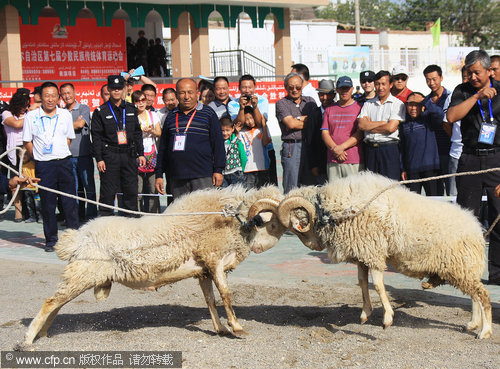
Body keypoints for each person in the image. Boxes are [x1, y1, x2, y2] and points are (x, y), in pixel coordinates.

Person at [446, 50, 500, 286]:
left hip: (496, 159)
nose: (473, 76)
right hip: (469, 159)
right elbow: (451, 116)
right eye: (469, 72)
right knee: (468, 219)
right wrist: (477, 96)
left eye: (477, 72)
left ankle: (497, 274)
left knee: (498, 219)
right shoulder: (463, 90)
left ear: (489, 71)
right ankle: (466, 272)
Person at [22, 81, 79, 252]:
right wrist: (38, 156)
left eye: (54, 95)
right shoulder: (31, 116)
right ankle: (51, 240)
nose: (50, 99)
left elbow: (69, 138)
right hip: (44, 166)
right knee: (47, 204)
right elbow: (27, 141)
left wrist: (58, 152)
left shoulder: (65, 115)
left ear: (58, 97)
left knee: (70, 202)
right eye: (47, 95)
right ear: (40, 97)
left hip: (64, 162)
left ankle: (74, 239)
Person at [155, 78, 225, 200]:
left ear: (197, 92)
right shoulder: (171, 116)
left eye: (190, 92)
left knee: (203, 214)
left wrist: (218, 170)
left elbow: (218, 144)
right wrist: (159, 174)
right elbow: (163, 148)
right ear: (176, 94)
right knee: (181, 215)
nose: (186, 96)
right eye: (182, 92)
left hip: (202, 175)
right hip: (177, 177)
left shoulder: (208, 113)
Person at [91, 75, 146, 217]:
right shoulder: (100, 111)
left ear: (124, 89)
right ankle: (105, 227)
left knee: (131, 192)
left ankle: (131, 224)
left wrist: (141, 153)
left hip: (128, 154)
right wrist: (99, 159)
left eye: (119, 88)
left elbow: (137, 132)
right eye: (113, 88)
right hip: (110, 156)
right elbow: (96, 137)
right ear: (108, 89)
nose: (116, 91)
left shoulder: (131, 109)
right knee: (108, 194)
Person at [227, 74, 277, 186]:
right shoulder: (232, 104)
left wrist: (255, 106)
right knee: (248, 186)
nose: (247, 90)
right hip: (245, 150)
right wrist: (241, 108)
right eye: (244, 87)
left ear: (255, 87)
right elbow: (238, 124)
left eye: (250, 87)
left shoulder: (262, 100)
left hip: (264, 147)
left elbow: (260, 122)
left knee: (269, 186)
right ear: (239, 88)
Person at [358, 70, 406, 180]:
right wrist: (382, 123)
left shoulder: (397, 104)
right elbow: (361, 125)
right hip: (370, 150)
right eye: (377, 84)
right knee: (371, 187)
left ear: (390, 85)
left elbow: (390, 128)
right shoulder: (368, 104)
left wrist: (369, 126)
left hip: (389, 149)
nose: (380, 87)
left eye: (383, 84)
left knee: (390, 186)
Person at [60, 83, 97, 221]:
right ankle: (75, 217)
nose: (67, 96)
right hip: (67, 156)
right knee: (72, 189)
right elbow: (74, 124)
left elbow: (81, 124)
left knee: (89, 188)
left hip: (84, 155)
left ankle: (92, 216)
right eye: (63, 94)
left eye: (69, 93)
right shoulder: (61, 111)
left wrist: (64, 125)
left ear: (75, 92)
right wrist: (72, 123)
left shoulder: (84, 108)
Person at [276, 72, 317, 193]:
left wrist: (296, 119)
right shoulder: (281, 103)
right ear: (285, 87)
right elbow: (291, 124)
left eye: (298, 87)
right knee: (291, 186)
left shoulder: (310, 101)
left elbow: (314, 122)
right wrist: (305, 119)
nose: (295, 90)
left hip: (309, 147)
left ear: (302, 86)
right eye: (291, 87)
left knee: (310, 186)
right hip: (291, 147)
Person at [399, 92, 444, 195]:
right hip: (412, 170)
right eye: (410, 105)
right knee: (413, 203)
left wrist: (425, 101)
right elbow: (402, 148)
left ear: (422, 106)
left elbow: (440, 114)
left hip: (430, 168)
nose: (413, 108)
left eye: (416, 104)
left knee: (434, 200)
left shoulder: (428, 118)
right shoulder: (403, 123)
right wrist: (403, 169)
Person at [321, 76, 363, 180]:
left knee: (354, 192)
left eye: (347, 88)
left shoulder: (360, 108)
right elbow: (325, 133)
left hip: (353, 160)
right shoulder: (329, 109)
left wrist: (341, 148)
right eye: (341, 88)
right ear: (337, 90)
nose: (344, 91)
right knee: (334, 194)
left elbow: (360, 133)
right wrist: (335, 149)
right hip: (333, 159)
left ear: (352, 89)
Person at [2, 89, 31, 222]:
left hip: (28, 149)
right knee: (15, 180)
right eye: (21, 105)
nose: (24, 108)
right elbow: (16, 124)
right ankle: (18, 211)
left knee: (30, 179)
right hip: (14, 150)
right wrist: (32, 116)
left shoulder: (29, 113)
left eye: (26, 105)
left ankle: (31, 211)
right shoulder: (6, 113)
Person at [423, 64, 452, 195]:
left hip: (448, 149)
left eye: (434, 79)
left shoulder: (450, 97)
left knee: (451, 190)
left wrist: (426, 104)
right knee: (435, 192)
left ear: (441, 77)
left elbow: (442, 116)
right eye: (428, 79)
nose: (431, 83)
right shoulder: (427, 99)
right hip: (432, 153)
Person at [132, 90, 161, 213]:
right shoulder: (131, 116)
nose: (141, 103)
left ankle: (153, 215)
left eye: (143, 100)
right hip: (137, 156)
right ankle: (137, 216)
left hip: (152, 154)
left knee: (153, 189)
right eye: (137, 101)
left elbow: (159, 133)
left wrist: (151, 131)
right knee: (137, 190)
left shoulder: (153, 115)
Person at [443, 67, 470, 196]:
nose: (468, 79)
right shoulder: (453, 96)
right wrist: (456, 139)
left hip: (481, 153)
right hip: (457, 152)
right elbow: (447, 123)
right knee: (454, 193)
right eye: (465, 76)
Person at [304, 79, 335, 185]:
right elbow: (310, 141)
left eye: (328, 94)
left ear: (334, 95)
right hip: (320, 163)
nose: (324, 98)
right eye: (321, 95)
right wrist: (313, 165)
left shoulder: (340, 110)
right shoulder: (314, 114)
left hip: (337, 160)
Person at [238, 106, 271, 188]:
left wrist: (264, 126)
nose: (250, 121)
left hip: (263, 168)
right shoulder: (241, 132)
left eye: (251, 118)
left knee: (263, 193)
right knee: (250, 194)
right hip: (247, 169)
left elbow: (266, 142)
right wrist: (236, 131)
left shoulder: (262, 129)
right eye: (246, 119)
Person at [220, 116, 246, 187]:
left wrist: (241, 169)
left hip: (236, 172)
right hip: (223, 174)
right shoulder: (218, 143)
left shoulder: (237, 141)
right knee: (226, 196)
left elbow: (243, 157)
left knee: (239, 195)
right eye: (222, 130)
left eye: (227, 130)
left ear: (232, 129)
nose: (225, 133)